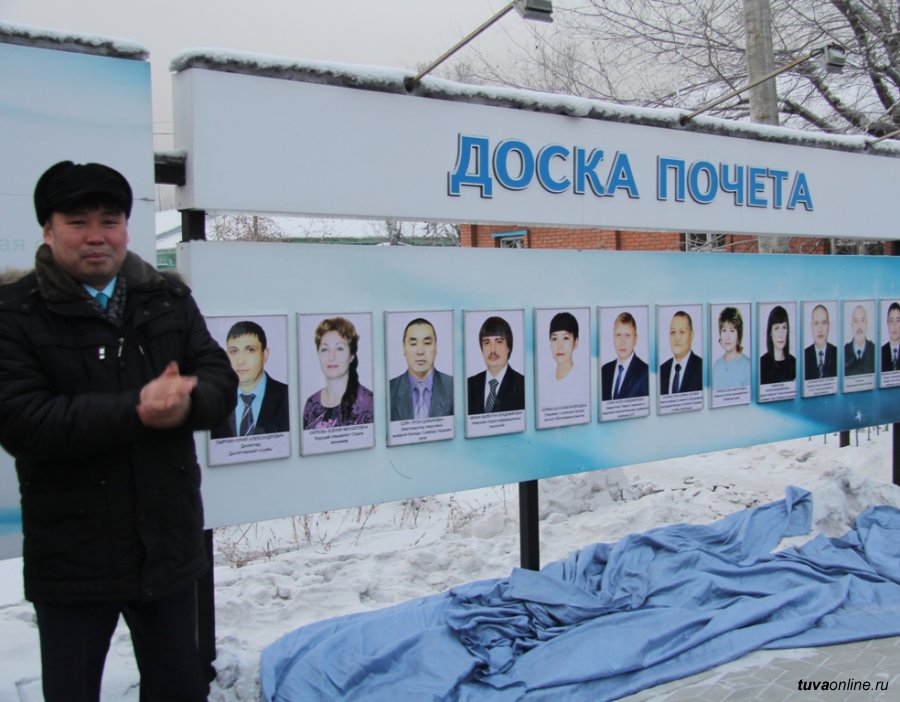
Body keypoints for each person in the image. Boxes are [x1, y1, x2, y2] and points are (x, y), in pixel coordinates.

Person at [0, 161, 237, 702]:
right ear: (47, 230)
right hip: (73, 554)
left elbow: (219, 377)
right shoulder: (15, 314)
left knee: (180, 688)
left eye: (109, 221)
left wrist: (187, 403)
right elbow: (23, 420)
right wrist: (137, 410)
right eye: (77, 222)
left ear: (127, 228)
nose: (96, 236)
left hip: (167, 544)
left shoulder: (167, 298)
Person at [211, 320, 290, 438]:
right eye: (234, 351)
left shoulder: (288, 396)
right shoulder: (216, 399)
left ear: (265, 354)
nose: (240, 361)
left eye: (250, 350)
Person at [303, 316, 374, 429]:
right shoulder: (311, 404)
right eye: (324, 349)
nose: (331, 357)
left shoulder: (368, 402)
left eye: (339, 348)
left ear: (351, 356)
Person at [389, 317, 453, 420]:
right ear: (404, 348)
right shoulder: (389, 390)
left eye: (427, 343)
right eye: (413, 344)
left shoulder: (453, 387)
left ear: (436, 347)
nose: (420, 351)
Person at [467, 315, 525, 414]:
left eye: (499, 342)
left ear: (509, 347)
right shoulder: (469, 385)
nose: (492, 350)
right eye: (487, 342)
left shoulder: (523, 385)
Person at [540, 312, 588, 408]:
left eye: (565, 338)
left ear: (575, 342)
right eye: (554, 339)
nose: (559, 346)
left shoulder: (585, 382)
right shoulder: (543, 384)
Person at [600, 311, 649, 400]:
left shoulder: (645, 373)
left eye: (627, 335)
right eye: (618, 335)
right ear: (613, 338)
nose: (622, 342)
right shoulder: (604, 370)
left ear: (635, 339)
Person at [659, 310, 703, 394]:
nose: (677, 338)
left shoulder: (703, 368)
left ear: (691, 335)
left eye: (682, 332)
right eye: (673, 332)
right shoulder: (661, 370)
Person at [712, 307, 751, 390]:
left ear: (738, 335)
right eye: (724, 330)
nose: (727, 336)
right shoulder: (716, 366)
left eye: (732, 331)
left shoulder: (748, 366)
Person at [759, 305, 796, 384]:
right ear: (770, 332)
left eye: (784, 327)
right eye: (776, 328)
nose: (781, 334)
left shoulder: (794, 363)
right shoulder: (761, 364)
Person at [804, 304, 838, 380]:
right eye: (816, 323)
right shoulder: (804, 356)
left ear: (828, 325)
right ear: (811, 326)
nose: (820, 329)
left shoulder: (838, 354)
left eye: (824, 323)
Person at [843, 305, 875, 376]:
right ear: (851, 325)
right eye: (855, 321)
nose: (859, 326)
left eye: (862, 320)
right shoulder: (843, 352)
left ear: (866, 324)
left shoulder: (875, 351)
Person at [881, 302, 900, 373]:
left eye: (898, 321)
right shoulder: (880, 352)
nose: (894, 325)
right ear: (887, 323)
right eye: (891, 321)